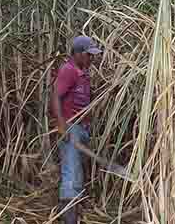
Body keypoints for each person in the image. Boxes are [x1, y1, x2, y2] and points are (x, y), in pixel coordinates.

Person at [51, 35, 101, 224]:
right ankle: (68, 220)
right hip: (71, 128)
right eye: (89, 55)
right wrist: (62, 125)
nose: (91, 59)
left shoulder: (83, 73)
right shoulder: (69, 70)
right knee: (71, 174)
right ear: (78, 54)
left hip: (82, 129)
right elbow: (55, 96)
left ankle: (74, 217)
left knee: (77, 175)